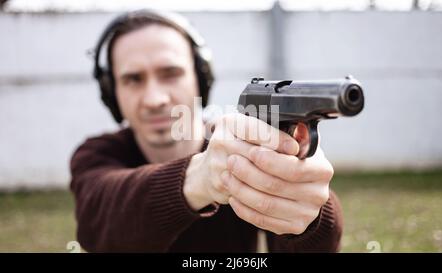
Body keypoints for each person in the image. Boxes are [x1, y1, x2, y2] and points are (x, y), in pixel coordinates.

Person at [70, 9, 343, 252]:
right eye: (133, 79)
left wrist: (310, 215)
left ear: (201, 79)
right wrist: (201, 177)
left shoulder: (243, 148)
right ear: (111, 93)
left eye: (171, 73)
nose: (155, 99)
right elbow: (99, 224)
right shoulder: (95, 155)